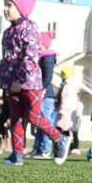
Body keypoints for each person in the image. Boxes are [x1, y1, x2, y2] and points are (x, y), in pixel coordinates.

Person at [0, 0, 70, 166]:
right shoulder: (7, 33)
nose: (5, 9)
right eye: (4, 5)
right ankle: (17, 155)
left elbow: (31, 57)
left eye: (9, 5)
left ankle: (60, 139)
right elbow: (6, 58)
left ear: (21, 8)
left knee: (34, 117)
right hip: (11, 84)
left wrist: (19, 81)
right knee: (16, 119)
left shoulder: (30, 28)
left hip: (28, 83)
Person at [30, 31, 59, 159]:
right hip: (42, 93)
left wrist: (41, 90)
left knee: (44, 121)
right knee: (38, 121)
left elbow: (47, 77)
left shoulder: (47, 58)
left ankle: (46, 149)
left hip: (46, 95)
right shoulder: (41, 57)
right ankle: (38, 148)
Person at [53, 65, 80, 165]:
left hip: (66, 113)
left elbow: (66, 101)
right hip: (70, 113)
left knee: (62, 132)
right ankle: (62, 151)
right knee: (63, 131)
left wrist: (62, 111)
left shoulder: (67, 87)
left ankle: (61, 153)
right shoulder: (71, 86)